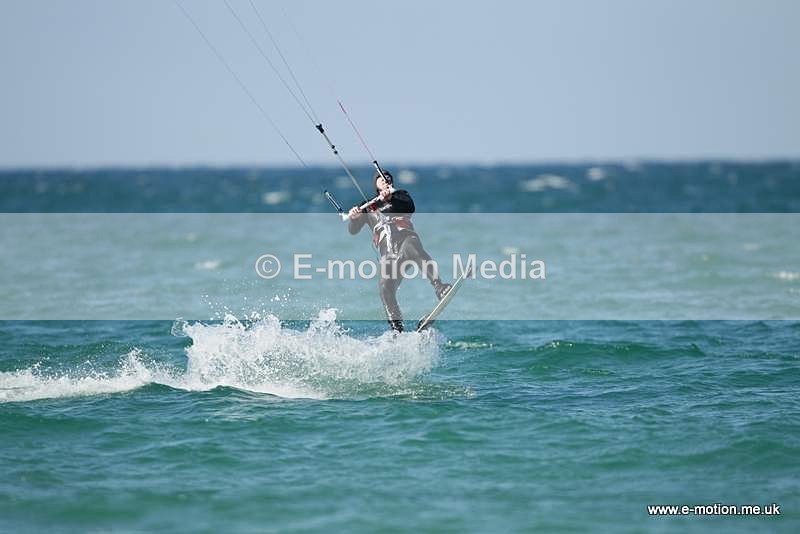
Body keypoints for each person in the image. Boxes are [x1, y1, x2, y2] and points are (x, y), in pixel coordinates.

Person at [348, 170, 451, 332]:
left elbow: (410, 207)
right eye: (380, 178)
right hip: (389, 257)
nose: (384, 179)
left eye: (387, 178)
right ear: (375, 184)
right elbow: (353, 230)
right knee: (384, 288)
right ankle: (397, 330)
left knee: (411, 245)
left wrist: (391, 197)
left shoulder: (401, 196)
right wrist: (354, 218)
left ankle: (439, 287)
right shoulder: (367, 206)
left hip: (406, 244)